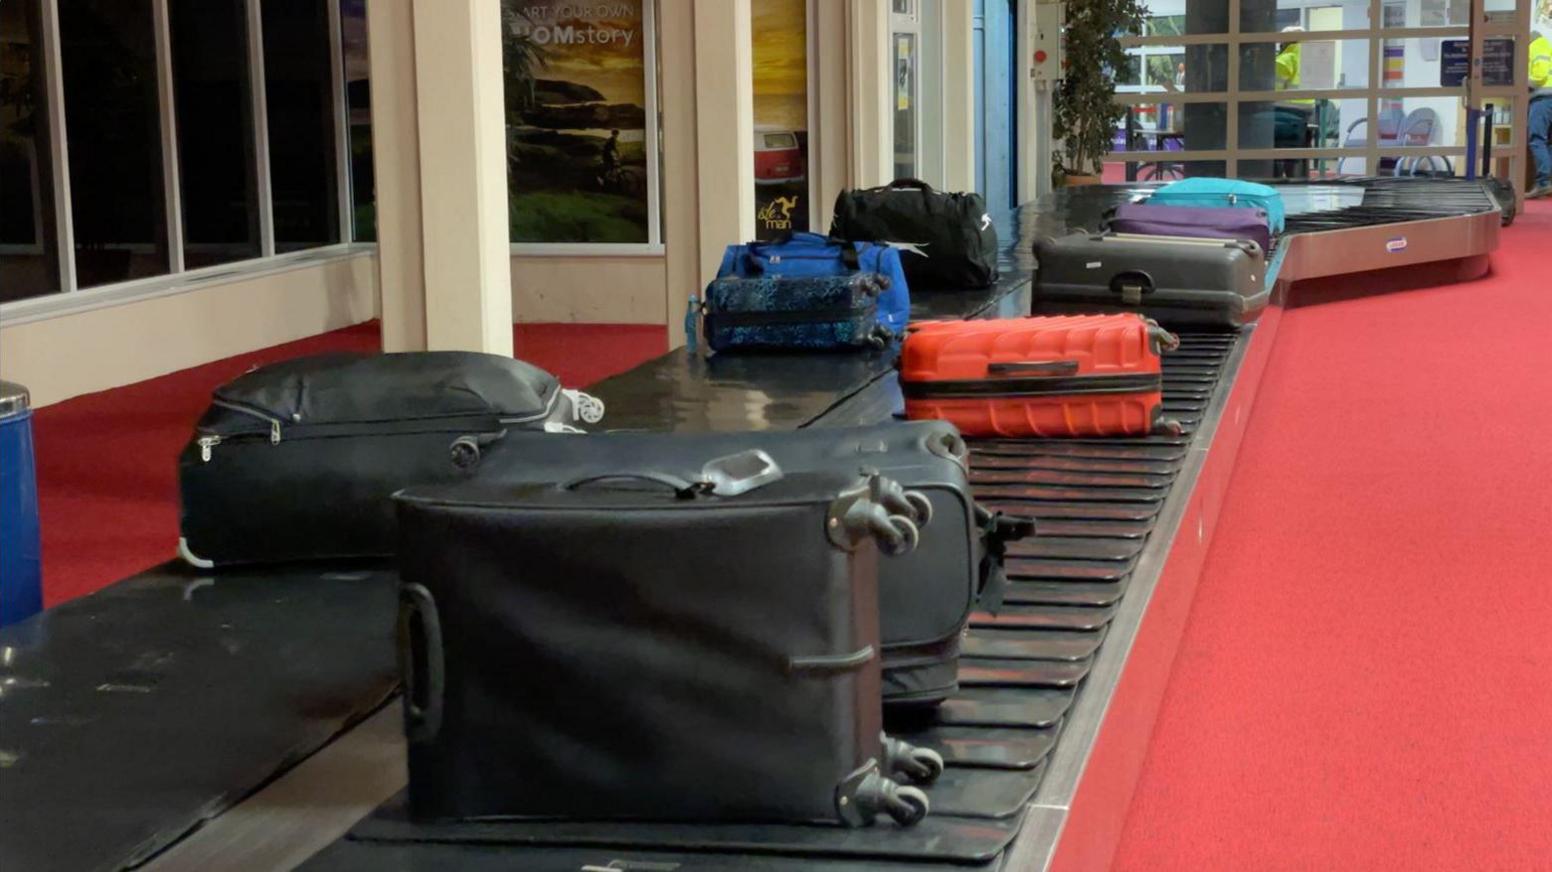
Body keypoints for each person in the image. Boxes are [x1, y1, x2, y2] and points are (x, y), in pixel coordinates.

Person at [1274, 26, 1314, 179]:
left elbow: (1272, 92)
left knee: (1271, 145)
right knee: (1297, 152)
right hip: (1308, 111)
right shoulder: (1311, 59)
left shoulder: (1285, 60)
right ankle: (1297, 179)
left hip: (1286, 111)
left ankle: (1274, 178)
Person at [1529, 31, 1552, 198]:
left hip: (1543, 97)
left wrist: (1522, 83)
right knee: (1548, 142)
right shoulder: (1548, 46)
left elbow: (1540, 74)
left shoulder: (1536, 46)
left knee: (1537, 139)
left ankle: (1543, 183)